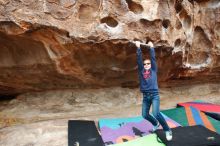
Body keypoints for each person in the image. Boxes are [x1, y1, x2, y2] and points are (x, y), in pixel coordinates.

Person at [135, 41, 172, 141]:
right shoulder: (141, 71)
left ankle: (167, 130)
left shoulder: (154, 70)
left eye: (148, 63)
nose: (146, 64)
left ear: (151, 65)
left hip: (154, 95)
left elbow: (153, 58)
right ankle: (156, 123)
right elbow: (139, 60)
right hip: (145, 97)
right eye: (145, 64)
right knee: (144, 115)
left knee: (156, 113)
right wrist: (138, 48)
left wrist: (151, 48)